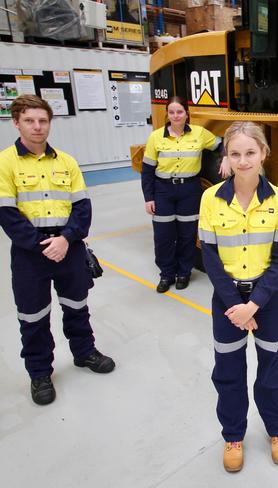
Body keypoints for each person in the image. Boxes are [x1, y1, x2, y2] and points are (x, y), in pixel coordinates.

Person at [0, 95, 115, 406]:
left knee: (77, 305)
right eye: (30, 121)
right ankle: (39, 373)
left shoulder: (67, 161)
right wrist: (42, 246)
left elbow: (83, 207)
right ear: (16, 122)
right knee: (33, 315)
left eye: (42, 121)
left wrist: (65, 240)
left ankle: (84, 352)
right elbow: (7, 214)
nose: (37, 127)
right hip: (30, 254)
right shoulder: (5, 162)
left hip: (70, 247)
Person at [198, 121, 278, 472]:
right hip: (227, 302)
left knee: (272, 369)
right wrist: (235, 306)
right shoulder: (210, 199)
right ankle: (233, 436)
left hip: (268, 301)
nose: (243, 160)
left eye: (250, 152)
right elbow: (209, 257)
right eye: (235, 153)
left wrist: (253, 305)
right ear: (226, 156)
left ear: (263, 154)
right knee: (228, 371)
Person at [141, 96, 230, 293]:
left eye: (179, 112)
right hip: (163, 191)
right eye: (171, 112)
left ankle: (184, 273)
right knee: (163, 236)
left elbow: (223, 144)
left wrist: (225, 159)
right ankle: (166, 275)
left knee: (187, 235)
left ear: (186, 113)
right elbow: (147, 171)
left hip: (189, 191)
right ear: (167, 114)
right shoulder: (156, 137)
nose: (176, 116)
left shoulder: (199, 134)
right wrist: (149, 197)